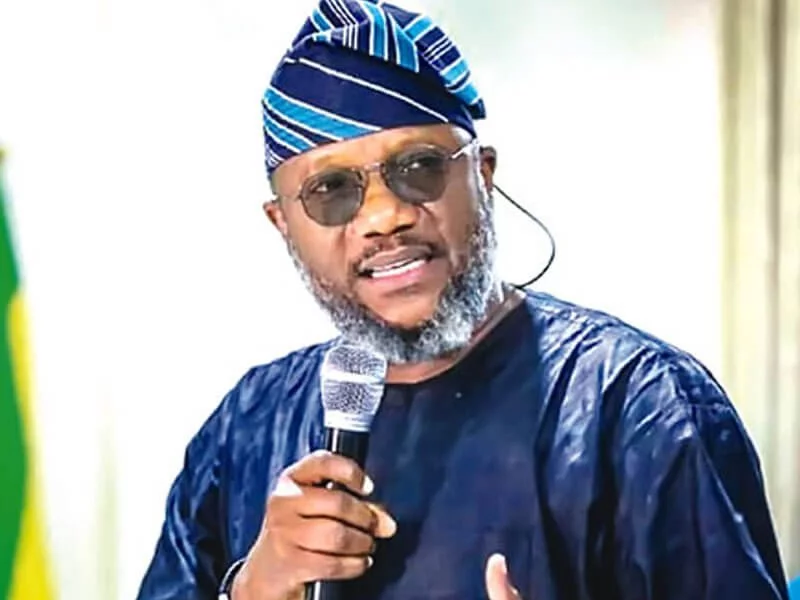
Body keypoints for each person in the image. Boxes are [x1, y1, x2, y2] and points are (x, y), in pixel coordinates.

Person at [136, 1, 789, 599]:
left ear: (482, 175)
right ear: (283, 225)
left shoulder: (638, 407)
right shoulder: (245, 430)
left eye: (418, 167)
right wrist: (252, 589)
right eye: (332, 190)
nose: (385, 216)